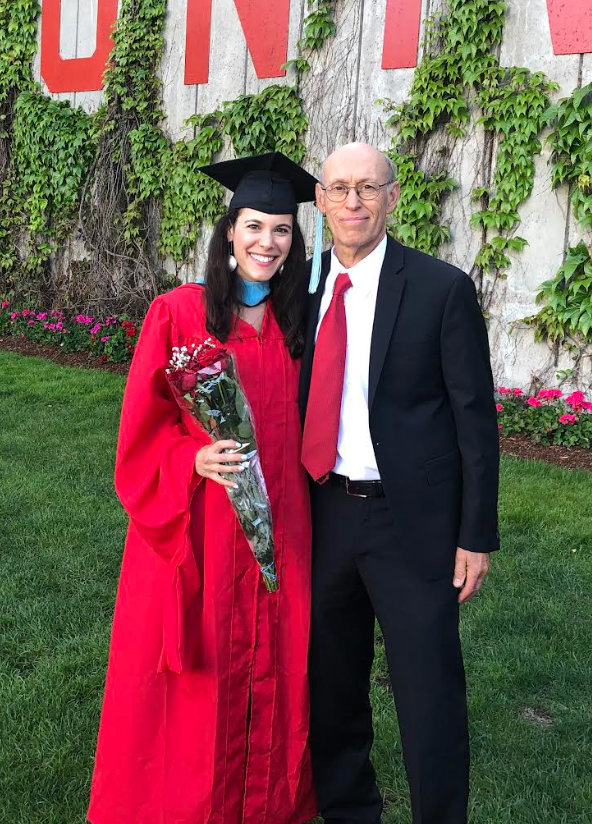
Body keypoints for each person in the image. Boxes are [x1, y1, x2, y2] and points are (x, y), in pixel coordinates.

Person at [88, 153, 319, 824]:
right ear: (228, 232)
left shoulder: (300, 322)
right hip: (203, 530)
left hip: (284, 528)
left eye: (281, 230)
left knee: (279, 662)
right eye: (253, 226)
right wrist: (193, 459)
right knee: (203, 674)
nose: (266, 243)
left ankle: (266, 802)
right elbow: (140, 434)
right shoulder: (178, 314)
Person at [299, 142, 500, 824]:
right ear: (320, 201)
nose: (352, 202)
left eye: (366, 188)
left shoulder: (441, 288)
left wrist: (475, 535)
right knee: (330, 682)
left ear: (391, 197)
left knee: (428, 691)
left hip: (409, 522)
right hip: (323, 511)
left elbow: (475, 420)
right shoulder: (302, 284)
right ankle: (349, 808)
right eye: (338, 188)